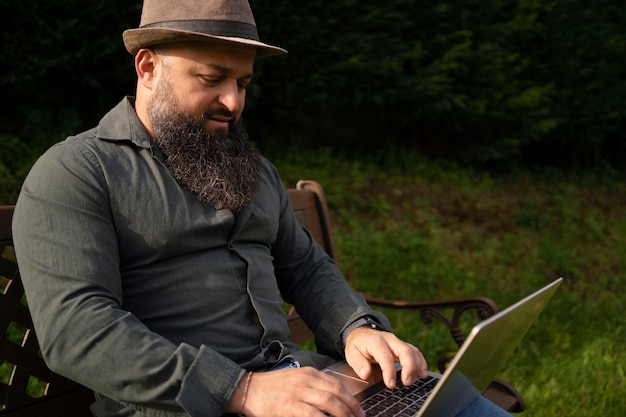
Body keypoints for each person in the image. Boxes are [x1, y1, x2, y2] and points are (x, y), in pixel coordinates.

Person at [12, 1, 514, 416]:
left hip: (300, 382)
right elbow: (78, 331)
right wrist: (242, 389)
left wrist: (356, 328)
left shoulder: (247, 166)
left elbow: (307, 268)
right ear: (147, 67)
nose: (233, 102)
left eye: (244, 83)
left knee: (462, 409)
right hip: (187, 407)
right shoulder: (78, 172)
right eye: (212, 78)